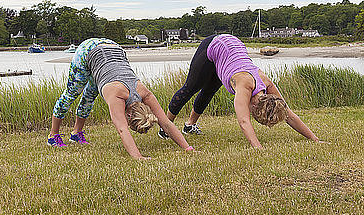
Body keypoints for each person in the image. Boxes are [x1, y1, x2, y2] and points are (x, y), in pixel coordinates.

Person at [158, 34, 323, 148]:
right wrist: (257, 147)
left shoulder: (266, 83)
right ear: (254, 107)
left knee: (209, 91)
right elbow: (244, 122)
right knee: (190, 88)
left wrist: (314, 139)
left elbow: (289, 114)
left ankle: (189, 126)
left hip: (232, 54)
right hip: (216, 44)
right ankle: (165, 128)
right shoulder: (244, 86)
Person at [48, 38, 195, 159]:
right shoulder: (116, 95)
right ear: (129, 114)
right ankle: (53, 136)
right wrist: (138, 157)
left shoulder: (145, 93)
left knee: (89, 96)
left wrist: (188, 148)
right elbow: (122, 129)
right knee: (71, 94)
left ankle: (76, 134)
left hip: (114, 49)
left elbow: (166, 123)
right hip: (88, 50)